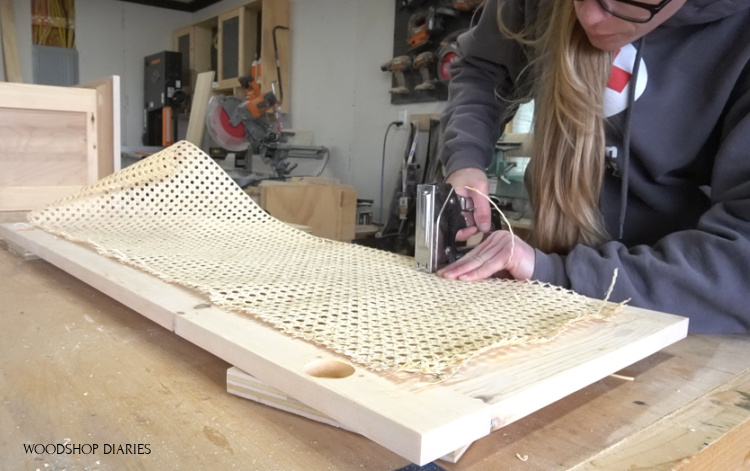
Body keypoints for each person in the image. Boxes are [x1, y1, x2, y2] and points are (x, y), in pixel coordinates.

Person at [436, 0, 750, 334]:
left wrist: (558, 275)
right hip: (555, 296)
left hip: (683, 317)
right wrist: (465, 156)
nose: (588, 17)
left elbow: (740, 272)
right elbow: (482, 67)